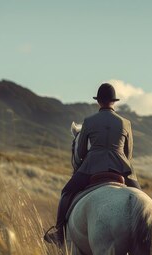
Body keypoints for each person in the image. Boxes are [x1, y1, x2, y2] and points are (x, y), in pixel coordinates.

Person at [44, 82, 140, 246]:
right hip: (121, 167)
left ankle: (60, 232)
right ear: (113, 101)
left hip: (91, 167)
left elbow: (81, 152)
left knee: (66, 192)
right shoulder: (126, 123)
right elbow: (128, 154)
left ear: (99, 101)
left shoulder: (89, 121)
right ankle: (139, 240)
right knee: (140, 198)